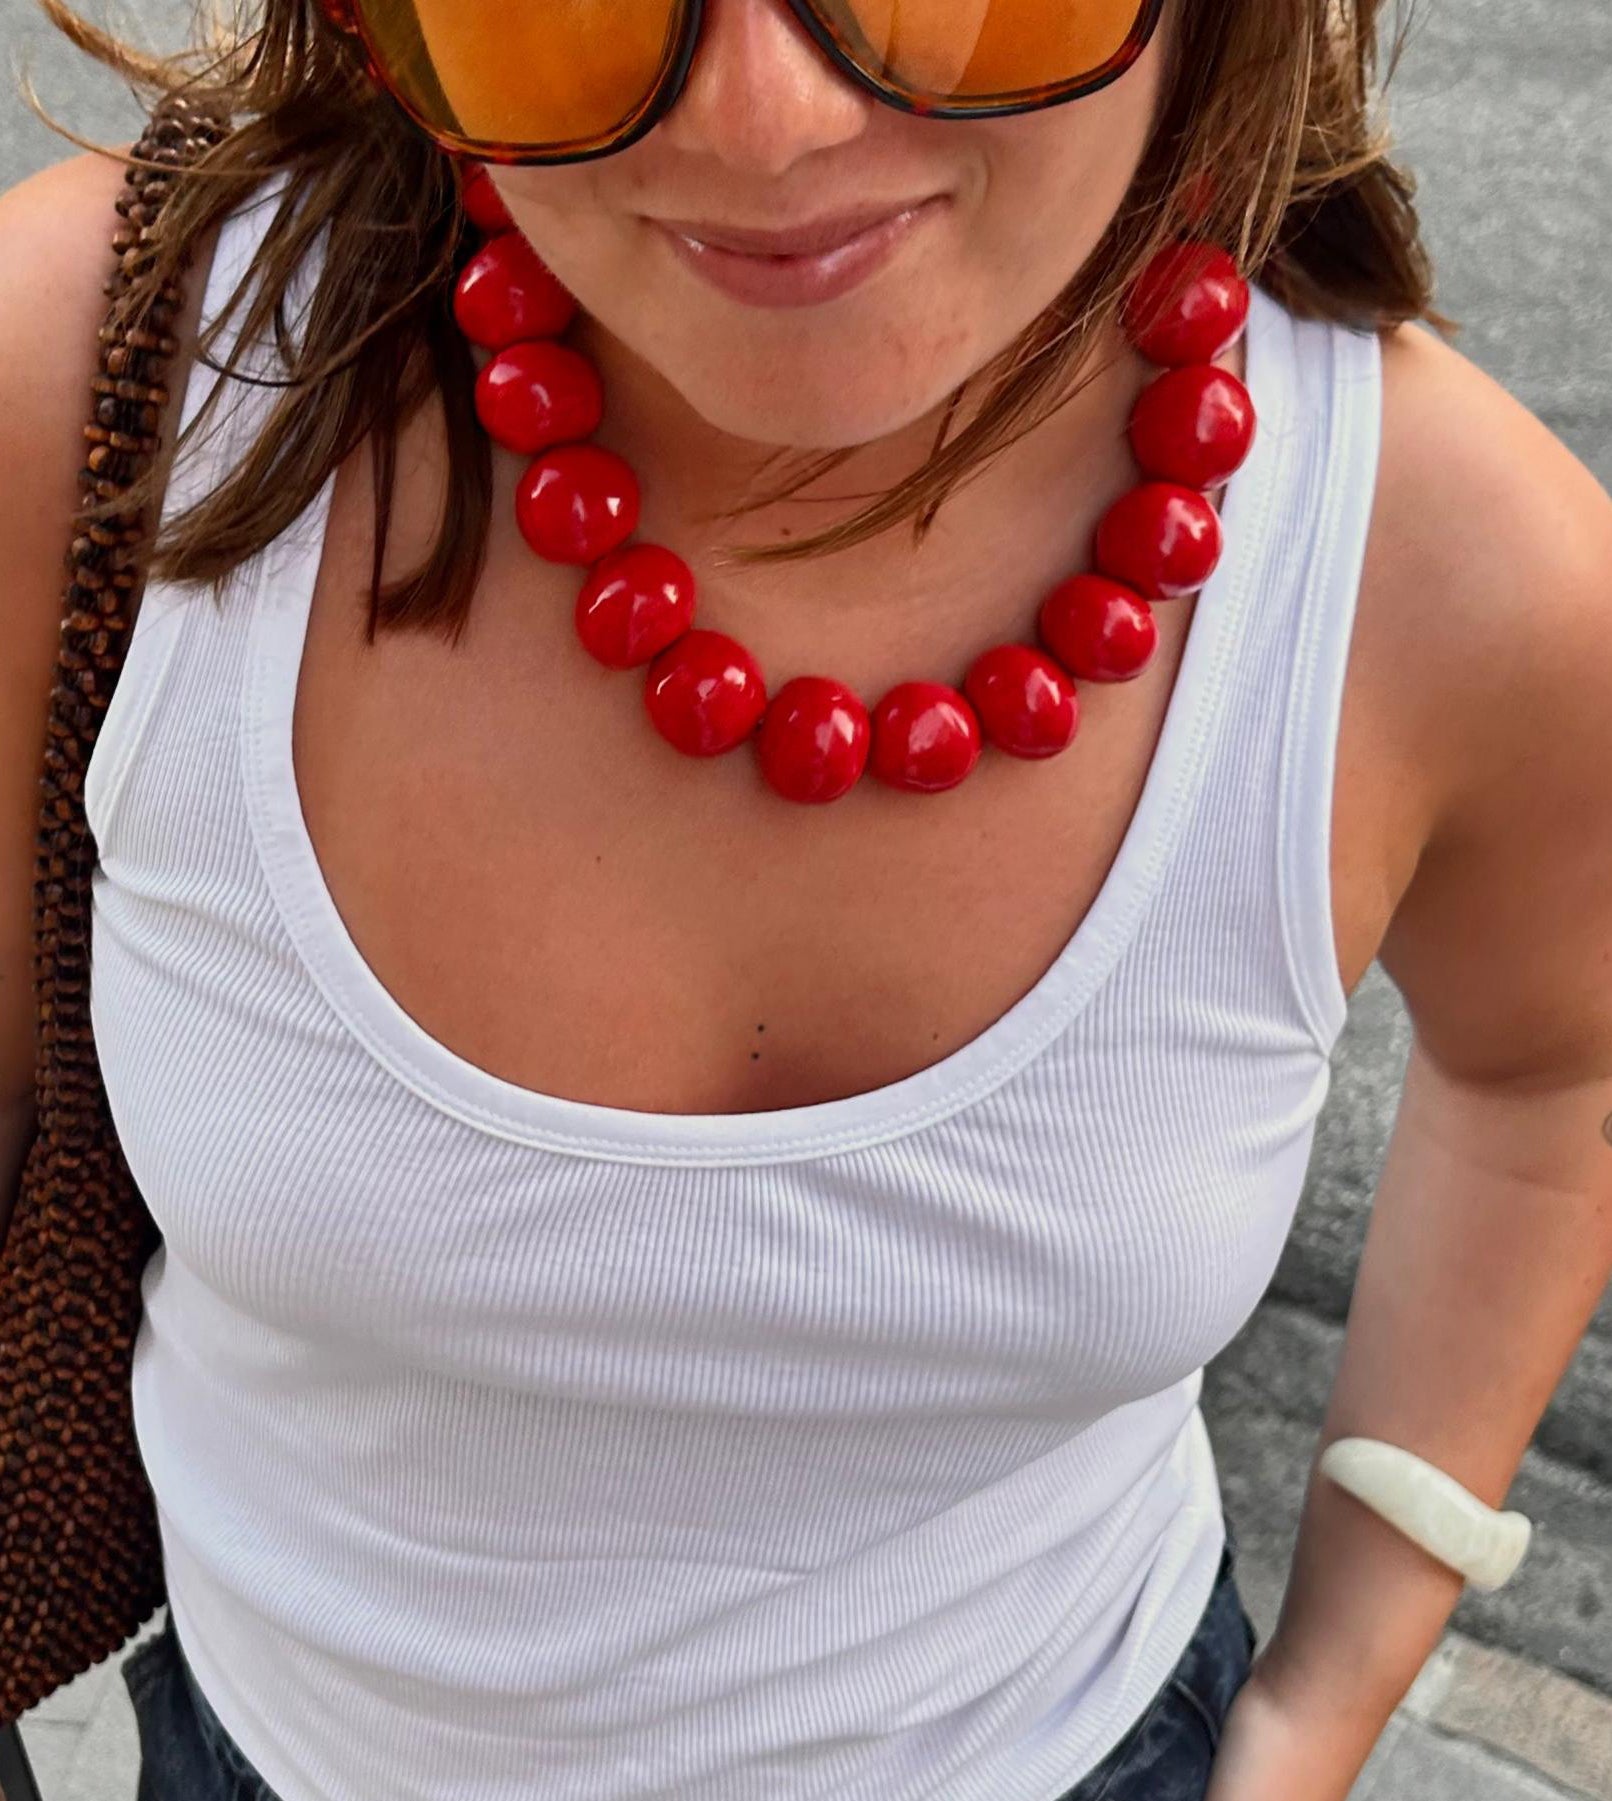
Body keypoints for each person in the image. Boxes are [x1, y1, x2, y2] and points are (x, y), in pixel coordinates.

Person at [1, 1, 1609, 1798]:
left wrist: (1323, 1707)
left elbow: (1556, 1073)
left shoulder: (1455, 570)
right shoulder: (100, 387)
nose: (766, 124)